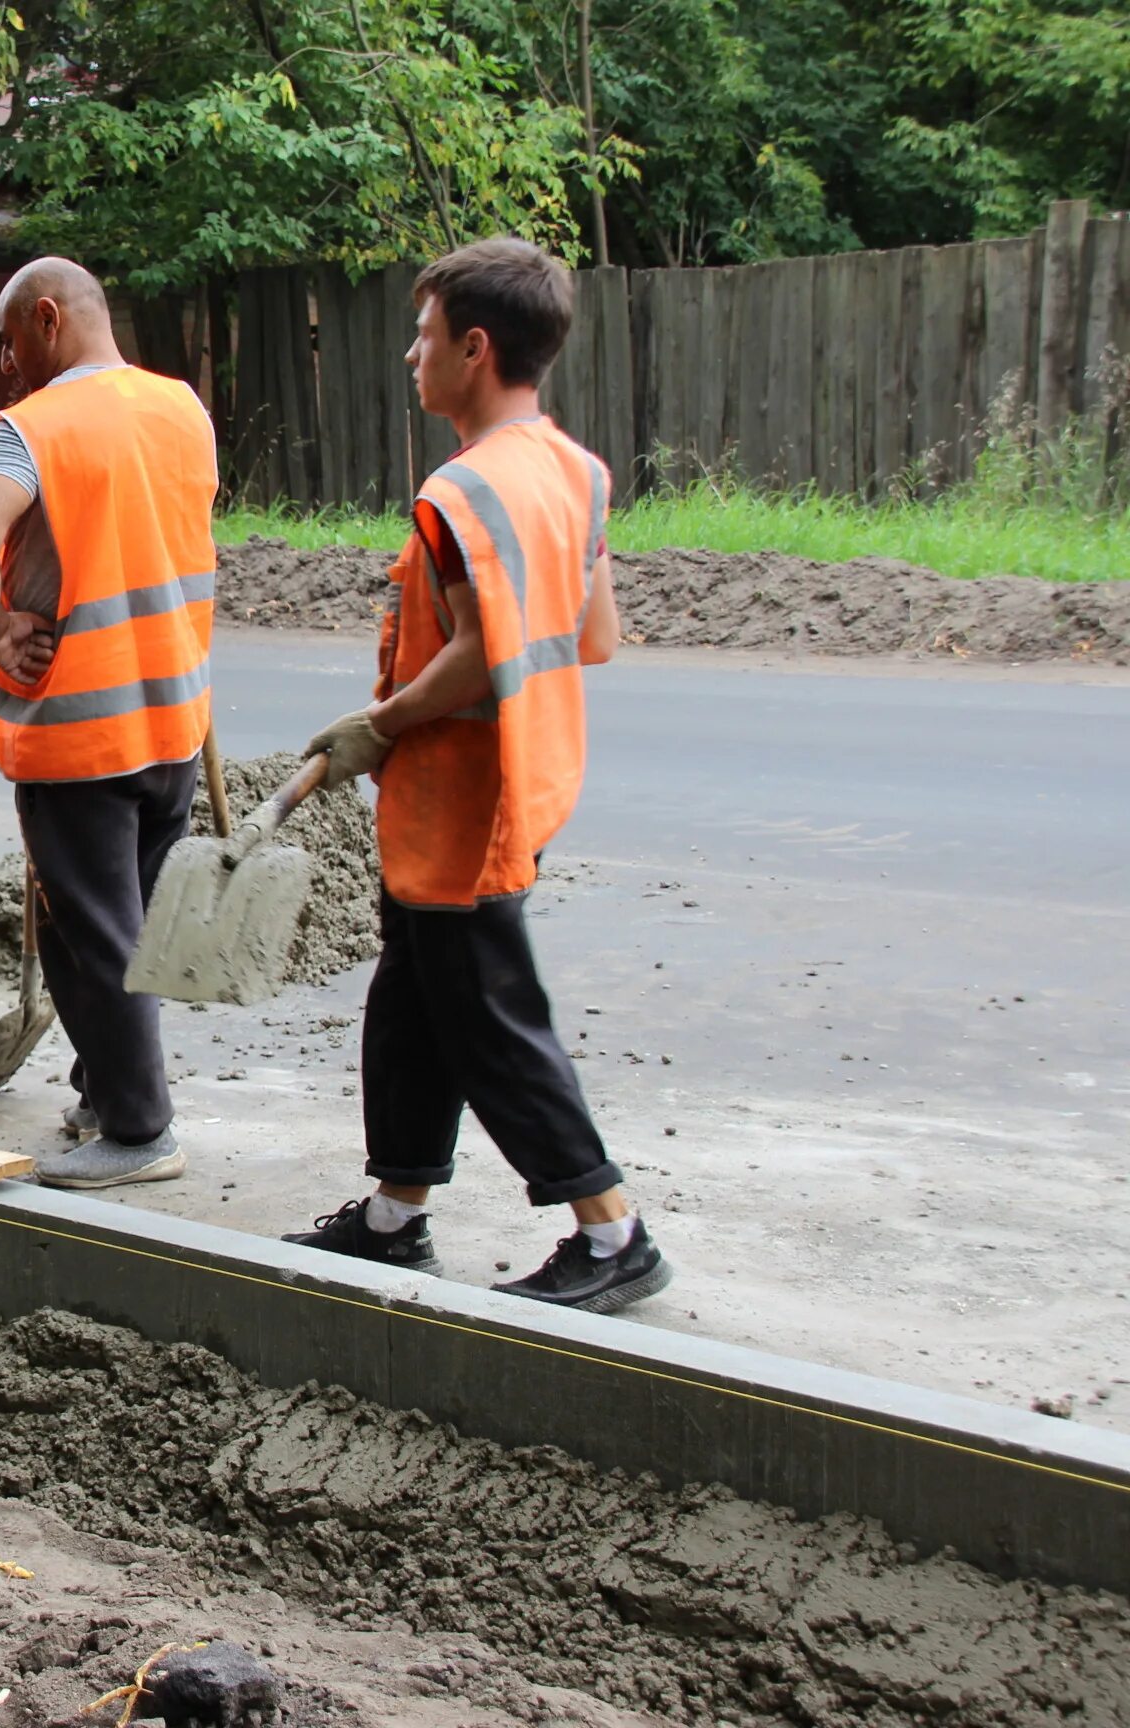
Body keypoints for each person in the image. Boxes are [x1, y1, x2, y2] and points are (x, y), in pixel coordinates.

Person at [284, 238, 669, 1312]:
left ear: (476, 347)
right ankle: (395, 1216)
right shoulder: (574, 472)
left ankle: (612, 1232)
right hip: (525, 777)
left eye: (425, 334)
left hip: (466, 800)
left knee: (489, 1017)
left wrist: (380, 721)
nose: (412, 355)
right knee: (413, 997)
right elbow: (592, 636)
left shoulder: (462, 491)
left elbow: (481, 653)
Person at [0, 257, 219, 1190]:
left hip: (81, 733)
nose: (7, 364)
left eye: (11, 341)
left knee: (92, 935)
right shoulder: (182, 409)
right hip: (173, 715)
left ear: (48, 319)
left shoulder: (30, 430)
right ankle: (104, 1089)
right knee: (126, 921)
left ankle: (140, 1132)